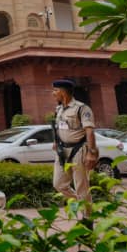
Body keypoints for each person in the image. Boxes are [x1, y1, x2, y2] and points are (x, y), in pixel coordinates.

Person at [52, 79, 98, 218]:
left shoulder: (82, 108)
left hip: (79, 149)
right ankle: (84, 204)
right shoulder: (59, 109)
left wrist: (92, 153)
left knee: (82, 186)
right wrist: (56, 141)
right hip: (62, 151)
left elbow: (89, 131)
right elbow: (58, 126)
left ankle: (87, 220)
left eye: (55, 91)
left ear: (63, 92)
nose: (53, 94)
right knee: (59, 184)